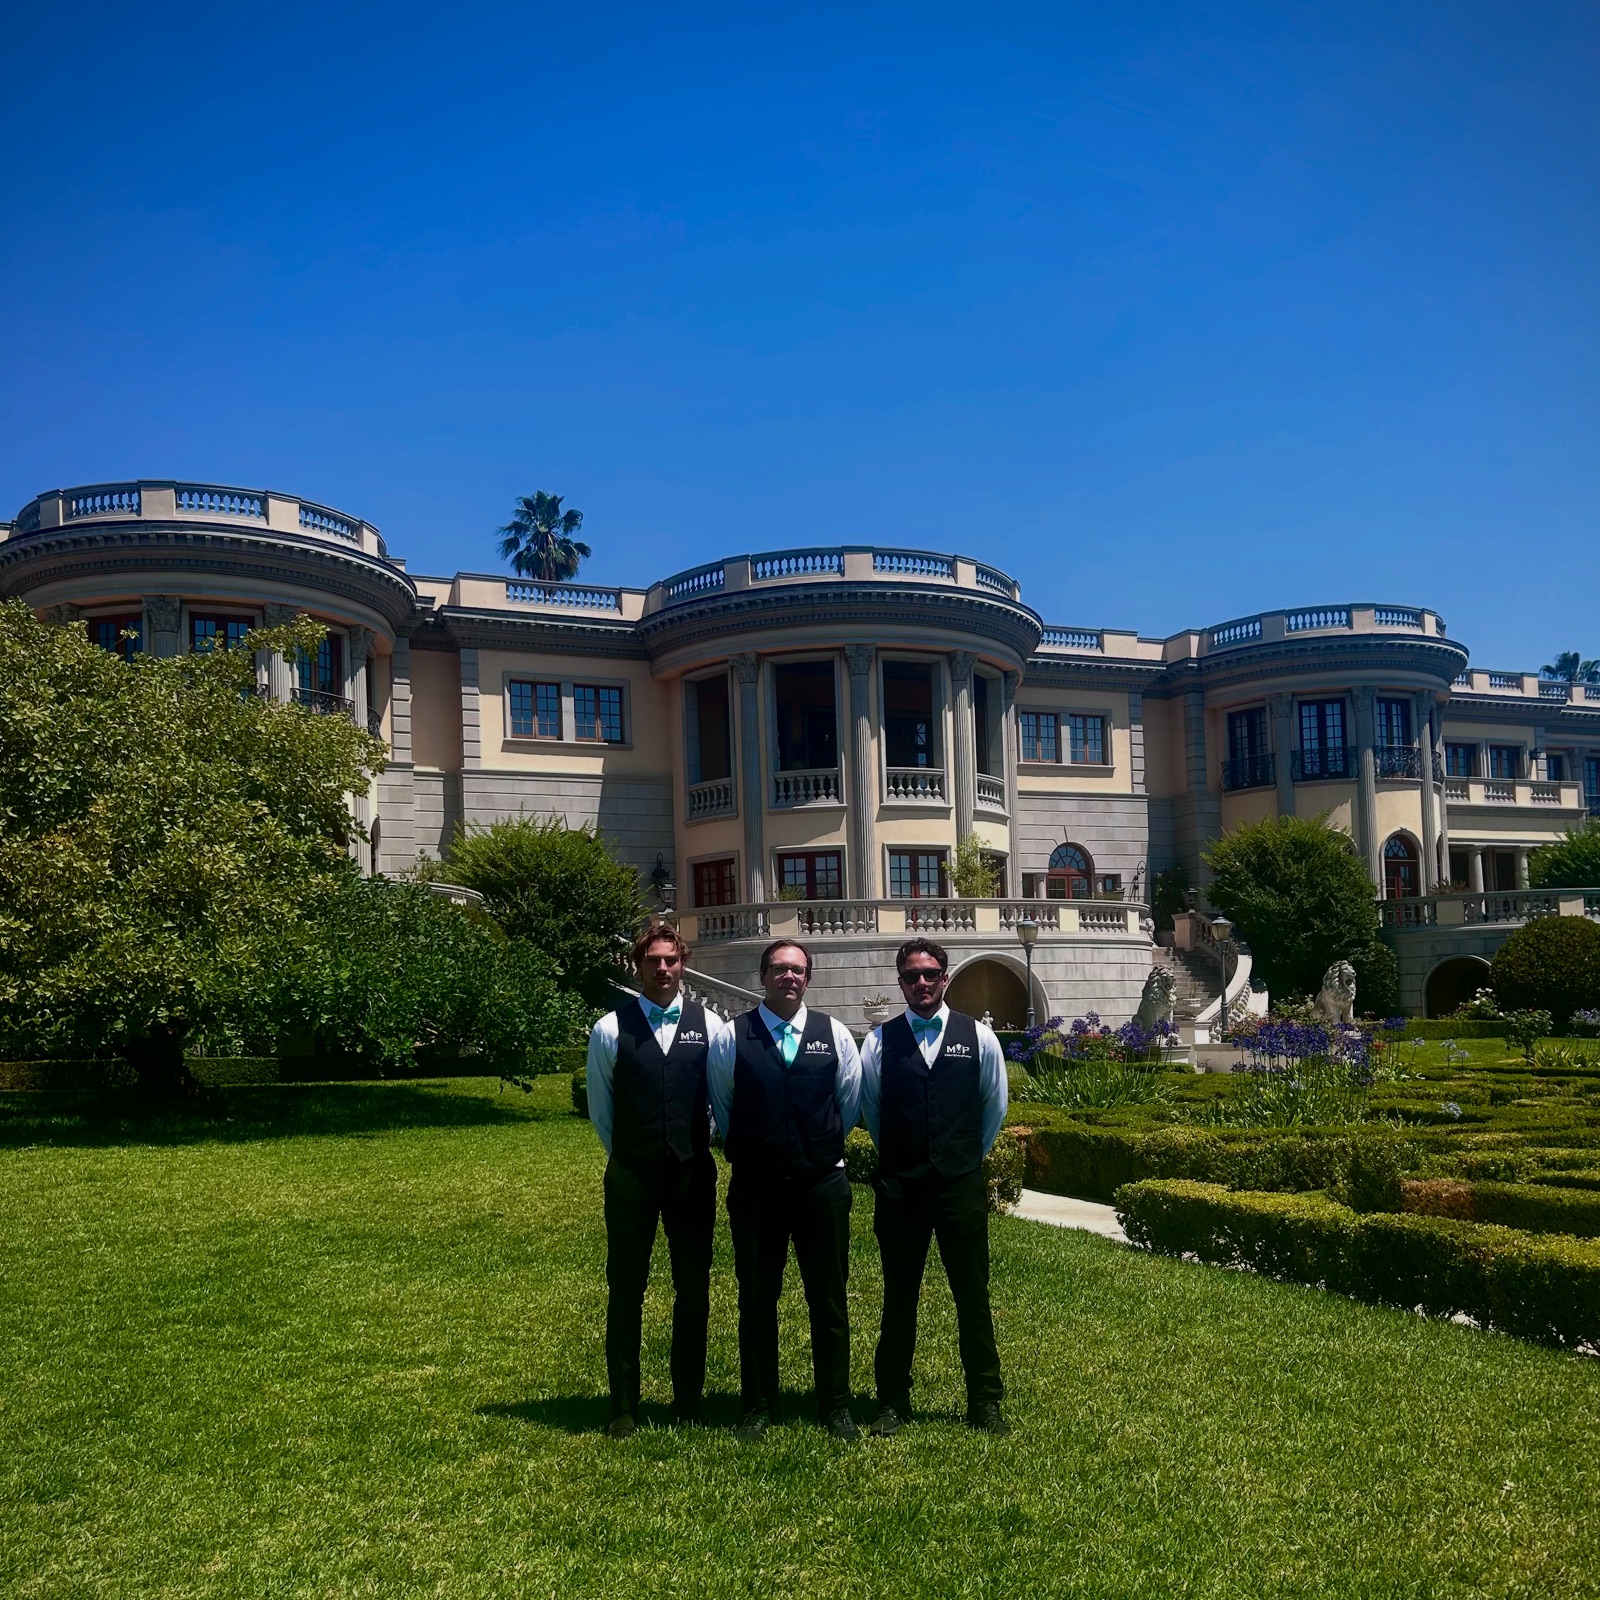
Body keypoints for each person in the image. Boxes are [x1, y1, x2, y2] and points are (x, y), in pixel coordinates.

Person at [707, 939, 863, 1441]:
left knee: (829, 1298)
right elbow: (723, 1103)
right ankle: (757, 1404)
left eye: (797, 970)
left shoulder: (833, 1033)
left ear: (808, 978)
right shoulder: (734, 1037)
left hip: (822, 1185)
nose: (788, 977)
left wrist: (818, 1146)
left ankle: (835, 1404)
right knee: (756, 1298)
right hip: (756, 1187)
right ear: (763, 976)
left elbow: (850, 1100)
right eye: (779, 969)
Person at [858, 936, 1010, 1436]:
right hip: (901, 1188)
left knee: (972, 1295)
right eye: (910, 976)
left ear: (945, 978)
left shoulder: (979, 1037)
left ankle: (985, 1402)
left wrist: (961, 1155)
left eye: (929, 974)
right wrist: (905, 1158)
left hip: (959, 1188)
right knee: (899, 1297)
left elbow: (994, 1108)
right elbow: (873, 1111)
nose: (920, 983)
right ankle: (892, 1403)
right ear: (900, 981)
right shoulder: (879, 1041)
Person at [585, 922, 730, 1439]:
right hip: (632, 1174)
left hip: (693, 1174)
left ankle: (688, 1399)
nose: (663, 969)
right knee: (626, 1287)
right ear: (638, 966)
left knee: (693, 1288)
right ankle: (623, 1404)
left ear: (683, 964)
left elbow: (719, 1097)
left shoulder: (711, 1026)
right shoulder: (609, 1028)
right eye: (653, 961)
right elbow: (602, 1110)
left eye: (671, 960)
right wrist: (632, 1152)